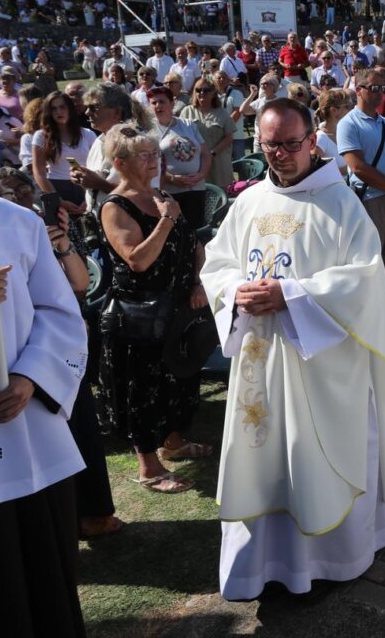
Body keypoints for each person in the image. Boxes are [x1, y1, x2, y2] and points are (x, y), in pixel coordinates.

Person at [200, 98, 385, 601]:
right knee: (266, 457)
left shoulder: (340, 202)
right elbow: (217, 263)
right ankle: (262, 564)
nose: (280, 154)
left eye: (290, 144)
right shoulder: (250, 201)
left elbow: (364, 280)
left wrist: (290, 294)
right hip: (261, 357)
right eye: (270, 144)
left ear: (312, 142)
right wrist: (236, 291)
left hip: (322, 366)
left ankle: (332, 559)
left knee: (317, 457)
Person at [0, 138, 90, 638]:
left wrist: (31, 377)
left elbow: (60, 313)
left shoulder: (17, 223)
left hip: (21, 422)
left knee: (36, 557)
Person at [97, 124, 211, 494]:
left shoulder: (163, 195)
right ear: (120, 162)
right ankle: (148, 467)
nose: (154, 161)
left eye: (154, 154)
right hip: (138, 317)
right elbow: (137, 260)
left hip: (177, 309)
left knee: (178, 380)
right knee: (142, 390)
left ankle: (174, 442)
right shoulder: (115, 207)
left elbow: (194, 243)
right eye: (144, 156)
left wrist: (199, 281)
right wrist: (166, 219)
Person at [337, 69, 385, 274]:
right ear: (358, 90)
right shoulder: (348, 124)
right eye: (374, 88)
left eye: (383, 88)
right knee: (372, 263)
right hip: (371, 200)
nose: (380, 93)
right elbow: (357, 167)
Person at [148, 86, 211, 231]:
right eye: (154, 103)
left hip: (196, 189)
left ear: (172, 103)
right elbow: (149, 164)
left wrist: (201, 175)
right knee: (175, 232)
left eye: (162, 102)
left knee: (196, 231)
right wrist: (171, 178)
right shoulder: (148, 130)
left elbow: (206, 154)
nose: (158, 106)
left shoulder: (188, 125)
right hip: (169, 192)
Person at [31, 91, 97, 208]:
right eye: (53, 109)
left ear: (70, 109)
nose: (58, 112)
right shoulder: (41, 136)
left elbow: (97, 168)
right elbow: (39, 172)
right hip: (55, 187)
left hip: (86, 187)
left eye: (62, 107)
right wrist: (58, 200)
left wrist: (90, 198)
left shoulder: (88, 134)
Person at [180, 78, 236, 188]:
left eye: (206, 90)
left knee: (221, 196)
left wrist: (212, 153)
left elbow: (229, 137)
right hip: (195, 163)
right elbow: (180, 136)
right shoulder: (187, 111)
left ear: (213, 92)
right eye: (198, 90)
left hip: (218, 162)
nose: (202, 93)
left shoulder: (222, 112)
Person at [312, 87, 351, 174]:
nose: (352, 109)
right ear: (334, 111)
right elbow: (315, 173)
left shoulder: (345, 132)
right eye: (347, 106)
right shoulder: (320, 139)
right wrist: (352, 168)